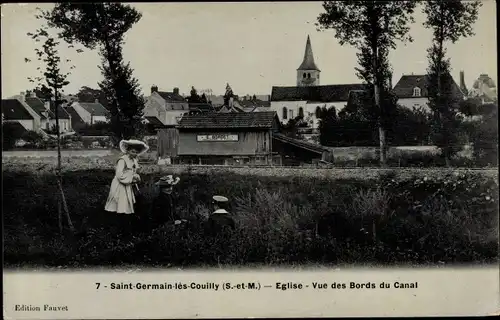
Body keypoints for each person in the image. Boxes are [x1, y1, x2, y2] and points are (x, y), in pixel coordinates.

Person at [104, 139, 149, 232]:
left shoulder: (134, 160)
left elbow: (133, 171)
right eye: (133, 151)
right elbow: (119, 175)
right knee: (120, 203)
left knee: (127, 204)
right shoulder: (122, 160)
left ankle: (126, 225)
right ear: (128, 150)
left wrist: (135, 176)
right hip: (120, 185)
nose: (134, 153)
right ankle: (116, 225)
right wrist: (131, 177)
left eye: (136, 152)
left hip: (128, 185)